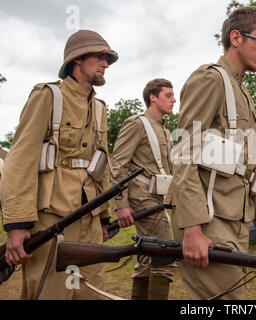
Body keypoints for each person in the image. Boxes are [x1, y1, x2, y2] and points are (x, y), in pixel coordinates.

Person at [171, 6, 256, 300]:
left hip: (237, 220)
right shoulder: (209, 80)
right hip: (208, 221)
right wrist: (192, 228)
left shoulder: (246, 96)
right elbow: (183, 153)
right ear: (236, 37)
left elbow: (255, 167)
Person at [0, 30, 118, 299]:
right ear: (77, 59)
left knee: (93, 292)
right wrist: (17, 225)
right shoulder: (48, 96)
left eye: (108, 58)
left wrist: (103, 217)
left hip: (89, 216)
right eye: (100, 56)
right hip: (52, 217)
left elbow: (100, 166)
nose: (106, 64)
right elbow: (20, 160)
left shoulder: (100, 108)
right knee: (50, 291)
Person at [111, 79, 177, 300]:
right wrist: (121, 205)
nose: (174, 99)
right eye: (168, 95)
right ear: (153, 97)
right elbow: (117, 165)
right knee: (165, 258)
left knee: (148, 260)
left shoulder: (164, 129)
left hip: (159, 200)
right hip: (143, 199)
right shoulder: (137, 124)